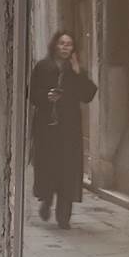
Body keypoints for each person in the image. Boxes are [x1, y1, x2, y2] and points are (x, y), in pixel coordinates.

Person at [27, 30, 96, 229]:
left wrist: (78, 72)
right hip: (47, 128)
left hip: (69, 130)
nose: (65, 47)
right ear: (55, 45)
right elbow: (31, 93)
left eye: (69, 44)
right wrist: (46, 97)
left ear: (73, 48)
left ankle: (64, 215)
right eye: (62, 43)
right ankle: (47, 200)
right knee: (49, 167)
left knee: (68, 169)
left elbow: (88, 95)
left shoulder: (75, 70)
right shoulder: (43, 66)